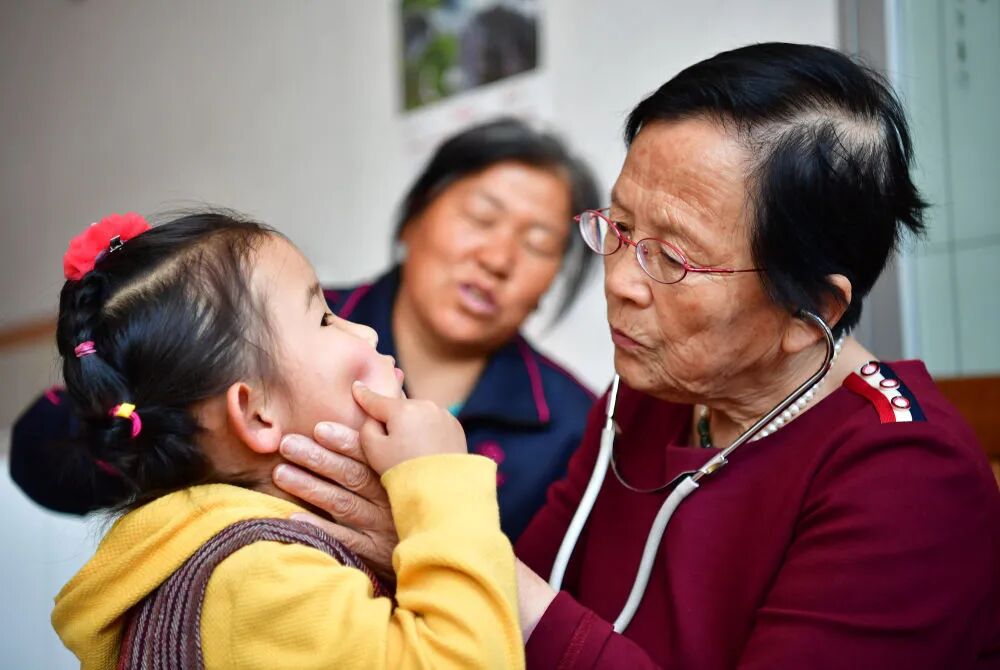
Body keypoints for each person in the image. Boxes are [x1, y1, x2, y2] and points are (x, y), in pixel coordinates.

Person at [275, 44, 1000, 667]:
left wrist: (453, 537)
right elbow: (528, 597)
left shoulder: (907, 477)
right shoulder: (647, 398)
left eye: (672, 259)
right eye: (617, 228)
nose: (619, 282)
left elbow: (521, 597)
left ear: (812, 313)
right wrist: (417, 541)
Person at [10, 117, 600, 542]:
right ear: (414, 219)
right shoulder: (269, 331)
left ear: (555, 279)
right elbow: (45, 447)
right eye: (482, 217)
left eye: (538, 243)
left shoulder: (576, 424)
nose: (498, 257)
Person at [49, 210, 523, 669]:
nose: (366, 331)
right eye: (322, 319)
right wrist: (439, 480)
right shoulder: (259, 581)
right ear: (257, 413)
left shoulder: (253, 564)